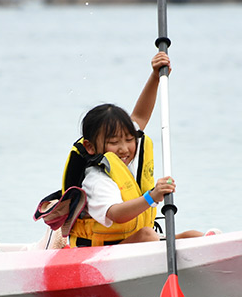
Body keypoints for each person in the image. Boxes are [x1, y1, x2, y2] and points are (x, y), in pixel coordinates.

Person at [63, 52, 202, 247]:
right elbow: (116, 214)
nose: (124, 149)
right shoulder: (96, 179)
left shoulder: (121, 160)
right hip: (99, 252)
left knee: (194, 236)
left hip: (130, 243)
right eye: (114, 142)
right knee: (147, 235)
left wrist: (155, 77)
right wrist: (151, 197)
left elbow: (141, 116)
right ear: (90, 147)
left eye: (129, 140)